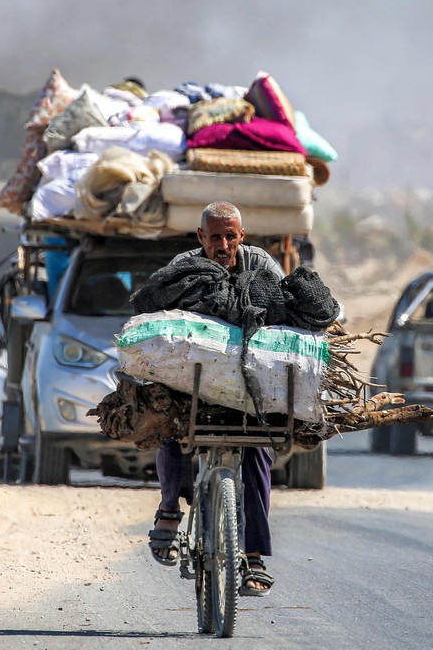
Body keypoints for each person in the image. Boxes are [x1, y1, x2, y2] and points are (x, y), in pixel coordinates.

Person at [148, 201, 281, 597]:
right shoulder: (184, 266)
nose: (223, 244)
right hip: (193, 384)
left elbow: (285, 312)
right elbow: (161, 318)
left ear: (241, 236)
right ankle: (170, 509)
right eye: (215, 237)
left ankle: (254, 555)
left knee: (258, 454)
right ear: (201, 237)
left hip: (247, 389)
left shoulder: (261, 265)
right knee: (172, 430)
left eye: (230, 236)